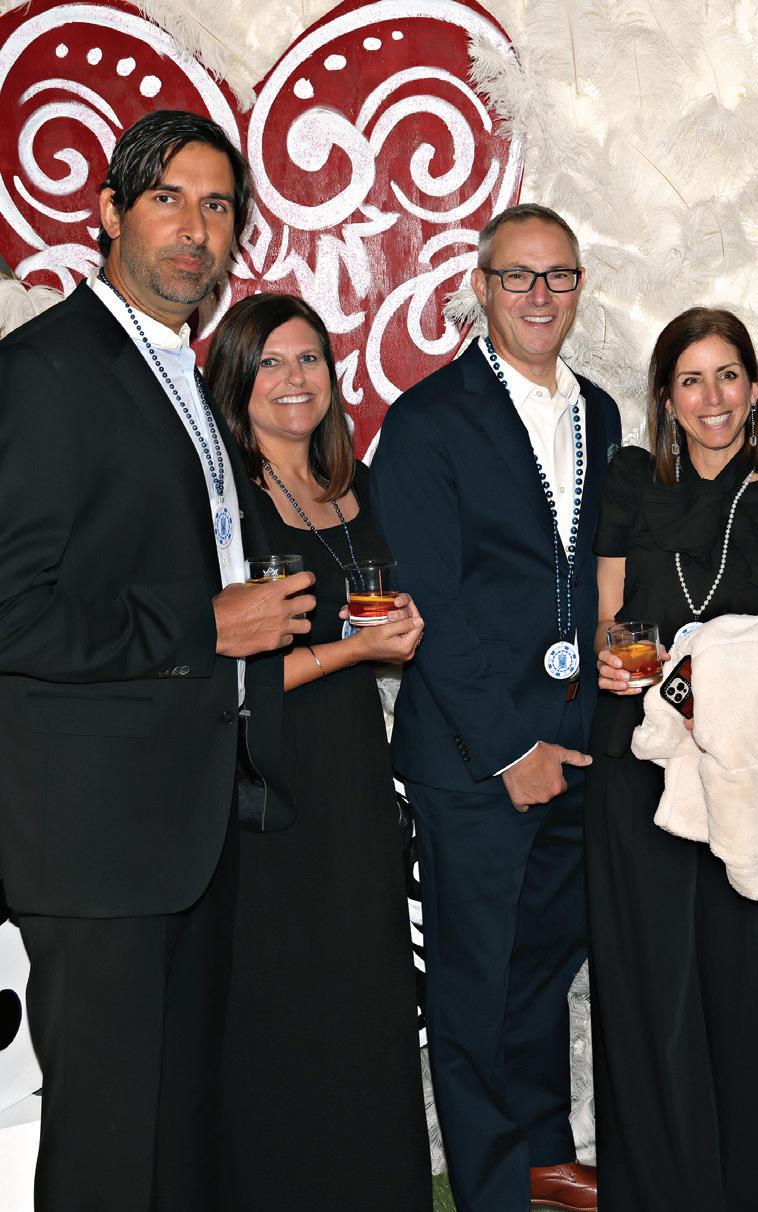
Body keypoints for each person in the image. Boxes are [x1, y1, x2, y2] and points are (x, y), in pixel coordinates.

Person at [0, 109, 314, 1211]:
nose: (195, 228)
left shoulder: (182, 370)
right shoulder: (45, 370)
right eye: (167, 199)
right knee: (106, 1148)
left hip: (191, 819)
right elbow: (12, 613)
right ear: (108, 214)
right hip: (96, 840)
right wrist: (203, 624)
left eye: (217, 205)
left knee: (176, 1135)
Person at [371, 203, 620, 1212]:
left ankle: (543, 1152)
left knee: (543, 970)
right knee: (473, 987)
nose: (538, 295)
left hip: (576, 746)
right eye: (517, 275)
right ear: (480, 287)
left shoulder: (600, 413)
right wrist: (511, 749)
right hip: (476, 757)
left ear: (578, 288)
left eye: (558, 276)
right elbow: (428, 601)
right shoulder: (426, 421)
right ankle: (489, 1190)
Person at [585, 307, 758, 1211]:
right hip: (637, 766)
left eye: (728, 376)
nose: (711, 397)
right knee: (648, 997)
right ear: (666, 398)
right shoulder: (629, 480)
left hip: (744, 780)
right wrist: (611, 658)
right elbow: (609, 614)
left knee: (749, 998)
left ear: (754, 391)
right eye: (691, 379)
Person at [205, 292, 430, 1210]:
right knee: (278, 1013)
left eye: (308, 360)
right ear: (235, 380)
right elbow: (221, 670)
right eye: (269, 362)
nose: (293, 379)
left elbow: (375, 614)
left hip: (354, 778)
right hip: (265, 787)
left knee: (365, 1003)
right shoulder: (223, 504)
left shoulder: (356, 483)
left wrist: (399, 626)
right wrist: (355, 651)